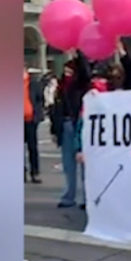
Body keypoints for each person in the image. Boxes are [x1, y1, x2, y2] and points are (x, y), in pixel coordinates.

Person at [50, 54, 92, 209]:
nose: (67, 73)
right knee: (68, 165)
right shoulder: (61, 87)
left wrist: (80, 54)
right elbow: (56, 110)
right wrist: (54, 130)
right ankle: (69, 196)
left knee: (83, 163)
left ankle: (87, 198)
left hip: (78, 123)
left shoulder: (80, 85)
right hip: (65, 124)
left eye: (70, 71)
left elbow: (86, 72)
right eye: (65, 71)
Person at [23, 64, 44, 184]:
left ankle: (35, 172)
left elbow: (40, 99)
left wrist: (37, 113)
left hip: (31, 119)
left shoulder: (34, 83)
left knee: (32, 147)